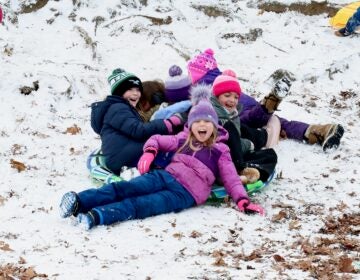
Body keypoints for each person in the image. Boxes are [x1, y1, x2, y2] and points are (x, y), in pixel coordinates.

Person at [60, 98, 265, 230]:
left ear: (214, 126)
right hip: (164, 176)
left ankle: (97, 216)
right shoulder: (183, 140)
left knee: (143, 205)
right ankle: (79, 201)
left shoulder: (221, 150)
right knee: (124, 188)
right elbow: (157, 139)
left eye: (207, 122)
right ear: (191, 126)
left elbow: (231, 178)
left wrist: (242, 201)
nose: (202, 125)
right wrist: (149, 152)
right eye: (197, 122)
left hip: (185, 194)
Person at [187, 48, 344, 152]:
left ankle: (266, 109)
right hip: (247, 102)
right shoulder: (223, 78)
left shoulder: (202, 87)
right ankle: (320, 130)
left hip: (233, 110)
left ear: (196, 73)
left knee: (245, 122)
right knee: (281, 122)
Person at [90, 68, 182, 175]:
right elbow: (138, 130)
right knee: (167, 152)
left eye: (138, 90)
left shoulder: (122, 108)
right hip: (124, 157)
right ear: (119, 92)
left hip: (121, 155)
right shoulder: (118, 108)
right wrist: (167, 124)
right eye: (130, 90)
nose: (136, 94)